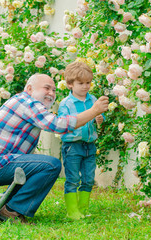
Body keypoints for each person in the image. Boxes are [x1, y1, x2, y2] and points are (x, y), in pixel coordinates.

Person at [0, 74, 108, 223]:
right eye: (46, 88)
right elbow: (57, 125)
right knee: (50, 165)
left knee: (35, 167)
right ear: (29, 89)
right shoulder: (27, 102)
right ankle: (11, 210)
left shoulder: (23, 102)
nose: (51, 93)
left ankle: (5, 208)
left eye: (54, 90)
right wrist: (94, 111)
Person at [58, 61, 104, 220]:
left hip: (89, 145)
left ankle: (83, 210)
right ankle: (72, 211)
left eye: (88, 83)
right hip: (73, 146)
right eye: (81, 83)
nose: (85, 86)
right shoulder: (66, 104)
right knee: (72, 179)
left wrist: (99, 118)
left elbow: (99, 117)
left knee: (88, 179)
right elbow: (64, 123)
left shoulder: (93, 100)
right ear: (70, 84)